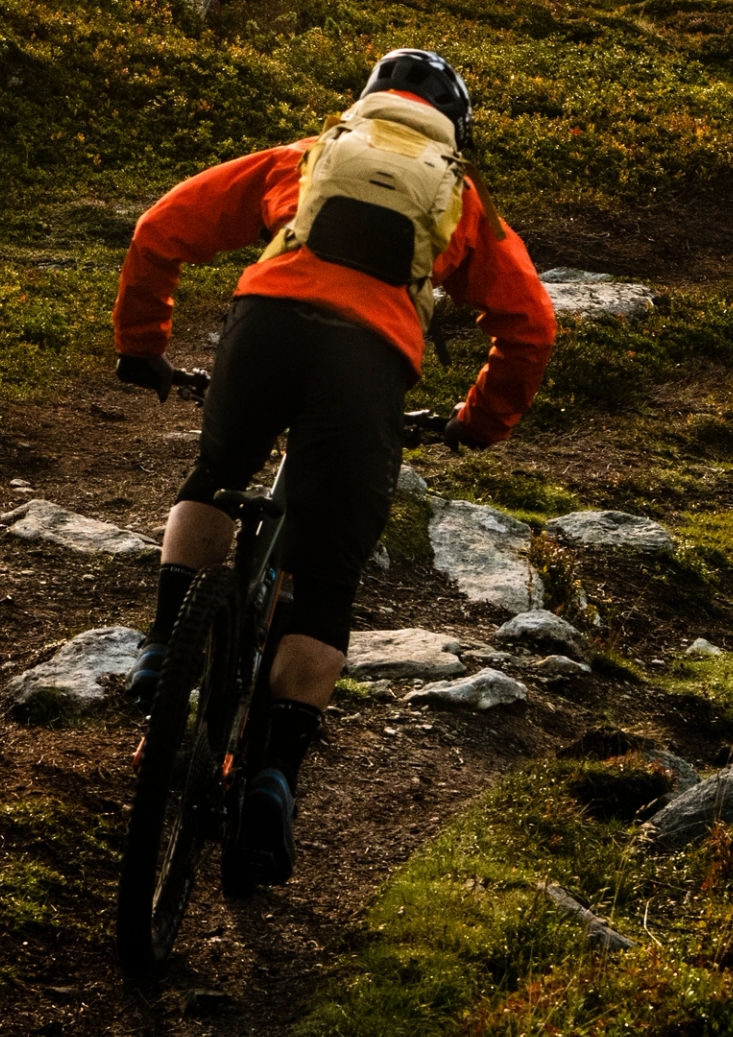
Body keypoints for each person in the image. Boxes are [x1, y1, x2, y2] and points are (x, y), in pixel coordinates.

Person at [111, 48, 557, 887]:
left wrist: (143, 346)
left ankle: (165, 647)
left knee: (218, 471)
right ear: (455, 130)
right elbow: (531, 325)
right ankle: (273, 778)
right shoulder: (462, 197)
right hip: (366, 365)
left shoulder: (308, 155)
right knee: (324, 582)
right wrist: (477, 425)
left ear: (367, 102)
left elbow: (159, 228)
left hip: (267, 328)